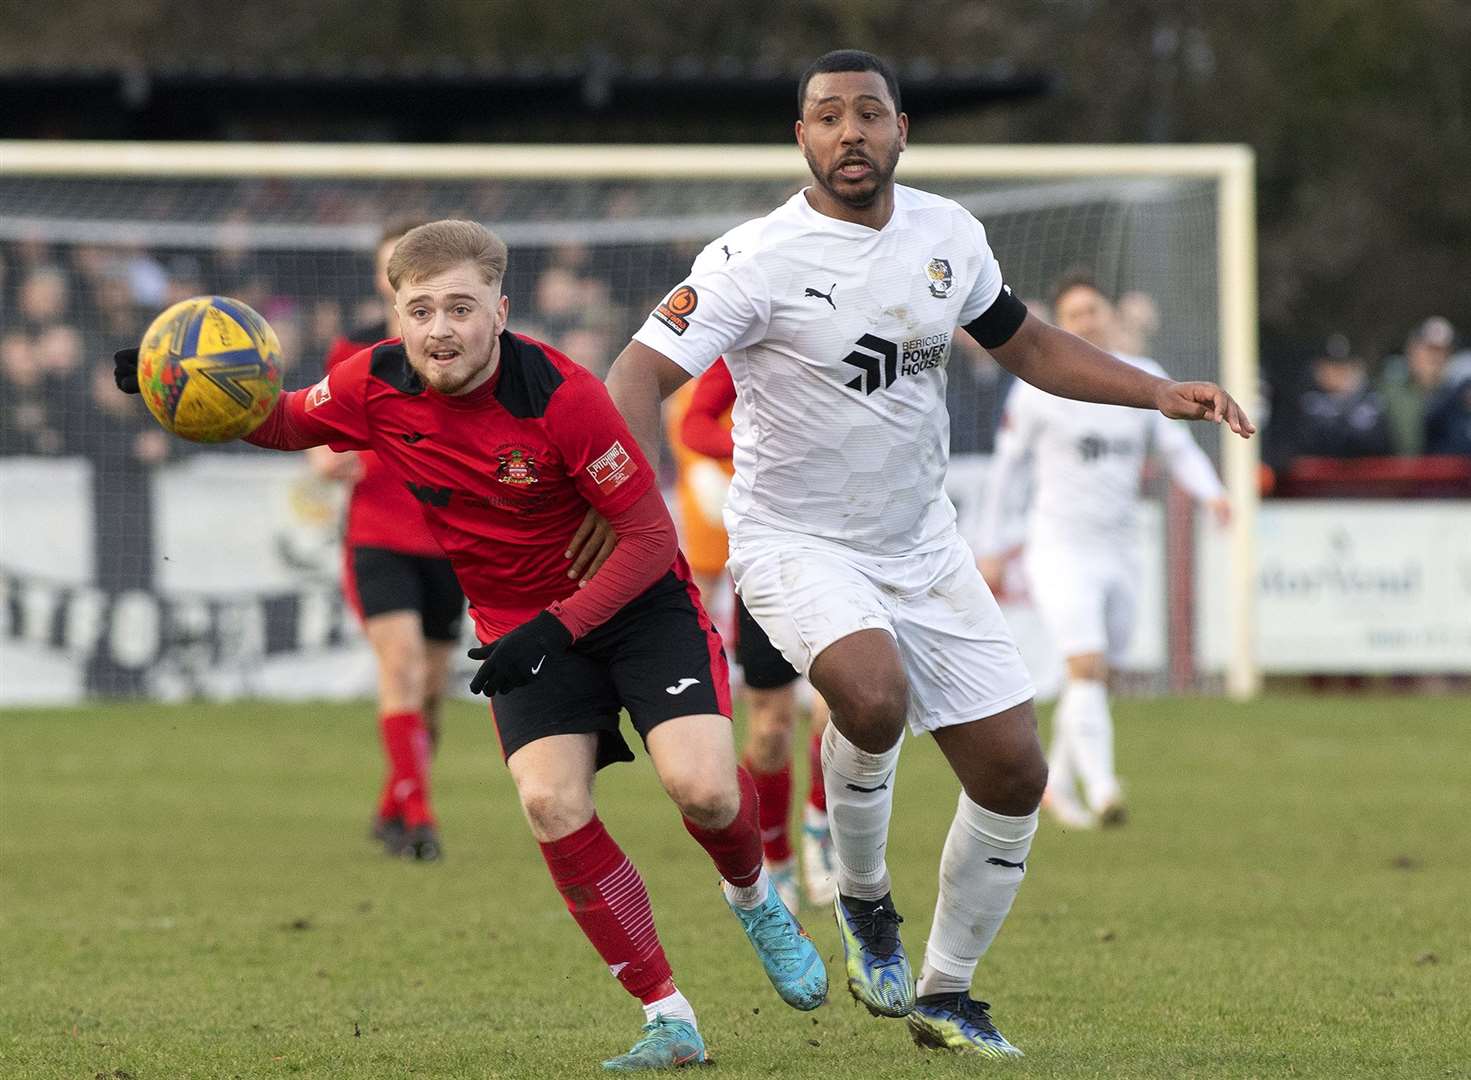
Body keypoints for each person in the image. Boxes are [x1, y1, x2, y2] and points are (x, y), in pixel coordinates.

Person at [599, 50, 1253, 1058]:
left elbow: (1026, 344)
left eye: (870, 114)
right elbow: (636, 373)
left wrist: (1154, 390)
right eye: (827, 117)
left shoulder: (949, 233)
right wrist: (631, 504)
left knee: (1012, 774)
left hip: (922, 541)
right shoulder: (753, 259)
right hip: (793, 540)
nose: (849, 132)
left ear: (903, 130)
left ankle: (946, 996)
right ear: (801, 138)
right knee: (872, 695)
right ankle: (863, 898)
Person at [113, 219, 825, 1070]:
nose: (439, 328)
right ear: (397, 318)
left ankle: (752, 897)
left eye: (460, 307)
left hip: (636, 611)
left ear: (500, 310)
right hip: (520, 632)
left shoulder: (559, 396)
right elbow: (286, 422)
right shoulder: (372, 383)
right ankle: (667, 1016)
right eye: (420, 310)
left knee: (703, 791)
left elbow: (643, 537)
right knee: (550, 805)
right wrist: (183, 394)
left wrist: (557, 627)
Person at [976, 271, 1230, 830]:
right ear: (1060, 326)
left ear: (1109, 314)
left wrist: (1214, 496)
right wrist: (992, 546)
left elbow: (1177, 449)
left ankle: (1057, 784)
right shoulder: (1036, 388)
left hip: (1122, 549)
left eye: (1093, 310)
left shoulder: (1147, 380)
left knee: (1094, 677)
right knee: (1085, 666)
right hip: (1059, 548)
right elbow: (1005, 471)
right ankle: (1106, 788)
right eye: (1073, 316)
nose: (1086, 322)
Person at [306, 220, 465, 861]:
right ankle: (420, 820)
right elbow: (323, 433)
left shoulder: (469, 351)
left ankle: (391, 803)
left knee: (429, 693)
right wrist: (327, 457)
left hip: (452, 543)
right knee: (397, 667)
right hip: (377, 536)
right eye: (388, 266)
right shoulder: (356, 351)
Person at [678, 358, 836, 912]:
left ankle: (821, 829)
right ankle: (777, 858)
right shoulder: (749, 344)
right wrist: (750, 445)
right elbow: (693, 423)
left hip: (843, 548)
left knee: (839, 710)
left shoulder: (857, 331)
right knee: (769, 729)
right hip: (766, 556)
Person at [1377, 316, 1456, 455]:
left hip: (1448, 474)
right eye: (1429, 350)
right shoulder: (1387, 393)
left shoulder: (1457, 396)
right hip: (1400, 473)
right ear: (1411, 350)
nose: (1435, 358)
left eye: (1441, 351)